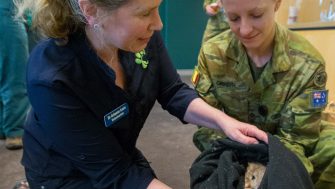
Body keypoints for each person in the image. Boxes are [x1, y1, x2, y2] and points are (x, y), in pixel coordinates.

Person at [18, 0, 268, 188]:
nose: (158, 23)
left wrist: (225, 123)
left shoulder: (140, 37)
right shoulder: (53, 77)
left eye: (157, 7)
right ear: (91, 10)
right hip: (65, 174)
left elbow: (172, 92)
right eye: (145, 12)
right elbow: (114, 172)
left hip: (119, 153)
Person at [191, 0, 335, 188]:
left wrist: (273, 174)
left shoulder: (308, 63)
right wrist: (237, 165)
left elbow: (297, 139)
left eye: (256, 15)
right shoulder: (212, 54)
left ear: (277, 3)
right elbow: (207, 128)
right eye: (234, 18)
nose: (245, 30)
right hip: (234, 141)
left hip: (287, 140)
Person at [0, 0, 30, 150]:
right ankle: (15, 131)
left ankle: (5, 127)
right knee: (16, 74)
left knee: (7, 71)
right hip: (8, 9)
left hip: (15, 8)